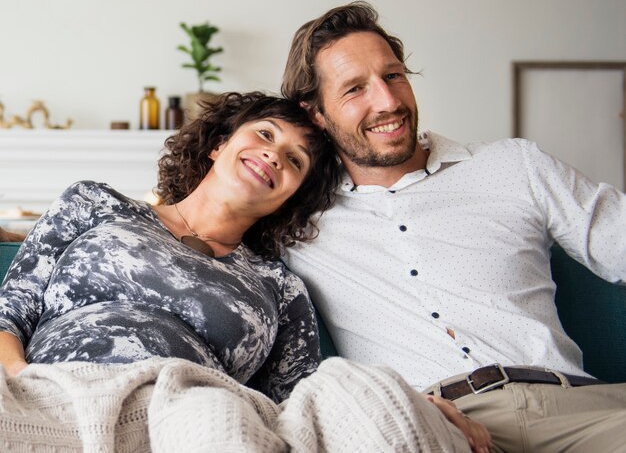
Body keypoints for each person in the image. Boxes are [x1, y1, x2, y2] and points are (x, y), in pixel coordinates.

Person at [0, 91, 488, 452]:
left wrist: (408, 402)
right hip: (50, 391)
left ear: (290, 195)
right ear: (218, 144)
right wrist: (23, 383)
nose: (274, 153)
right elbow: (9, 313)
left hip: (191, 412)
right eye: (265, 134)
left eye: (294, 160)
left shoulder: (279, 286)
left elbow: (306, 406)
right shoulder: (94, 202)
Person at [281, 1, 626, 452]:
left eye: (393, 76)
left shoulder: (513, 166)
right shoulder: (295, 221)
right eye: (355, 89)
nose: (387, 102)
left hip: (578, 409)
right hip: (435, 427)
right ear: (316, 115)